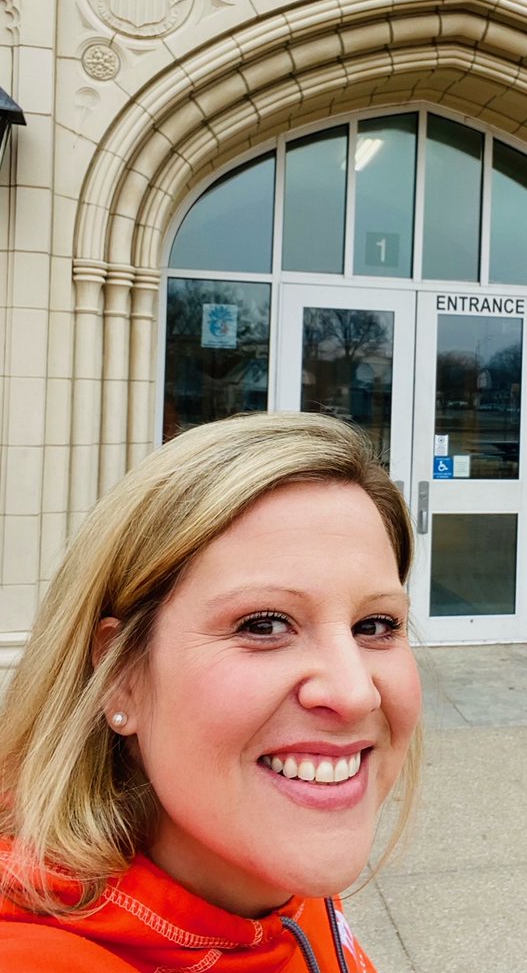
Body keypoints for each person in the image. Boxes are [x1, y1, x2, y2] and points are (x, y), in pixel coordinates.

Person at [0, 411, 422, 972]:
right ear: (121, 673)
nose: (354, 693)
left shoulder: (265, 867)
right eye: (264, 625)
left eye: (375, 625)